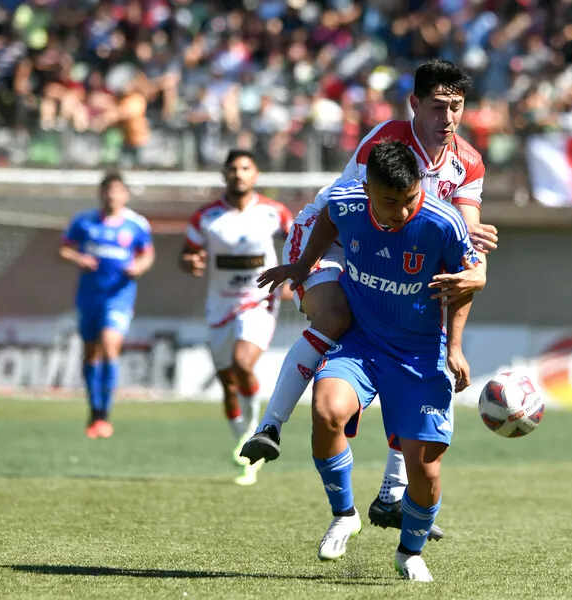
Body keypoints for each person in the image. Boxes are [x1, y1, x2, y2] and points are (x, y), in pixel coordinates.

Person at [241, 58, 497, 538]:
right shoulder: (385, 142)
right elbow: (346, 211)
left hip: (394, 245)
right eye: (438, 107)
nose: (448, 118)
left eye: (457, 107)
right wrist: (300, 269)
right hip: (332, 237)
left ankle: (391, 495)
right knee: (335, 318)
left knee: (418, 340)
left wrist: (476, 270)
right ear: (415, 104)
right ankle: (271, 424)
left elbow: (463, 236)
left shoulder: (469, 161)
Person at [256, 141, 477, 581]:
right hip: (362, 343)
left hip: (419, 353)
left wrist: (454, 347)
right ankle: (345, 514)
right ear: (368, 190)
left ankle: (409, 553)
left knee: (425, 469)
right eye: (390, 201)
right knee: (326, 409)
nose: (400, 211)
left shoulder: (443, 222)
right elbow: (327, 219)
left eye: (409, 198)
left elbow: (465, 284)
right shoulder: (346, 201)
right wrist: (300, 268)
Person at [179, 149, 293, 486]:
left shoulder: (274, 212)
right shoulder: (206, 217)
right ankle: (241, 441)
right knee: (228, 382)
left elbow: (300, 242)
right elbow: (187, 254)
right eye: (233, 169)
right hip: (219, 305)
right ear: (224, 175)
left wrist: (294, 276)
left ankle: (256, 435)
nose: (239, 174)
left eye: (246, 167)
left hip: (259, 300)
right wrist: (190, 263)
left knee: (244, 364)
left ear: (255, 174)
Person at [59, 172, 154, 438]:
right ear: (101, 193)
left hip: (119, 296)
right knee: (91, 353)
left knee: (110, 346)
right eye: (107, 190)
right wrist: (78, 258)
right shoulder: (84, 221)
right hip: (89, 296)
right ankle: (94, 410)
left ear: (125, 194)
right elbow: (63, 249)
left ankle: (104, 415)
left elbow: (147, 255)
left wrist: (138, 267)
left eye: (117, 190)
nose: (112, 195)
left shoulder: (136, 224)